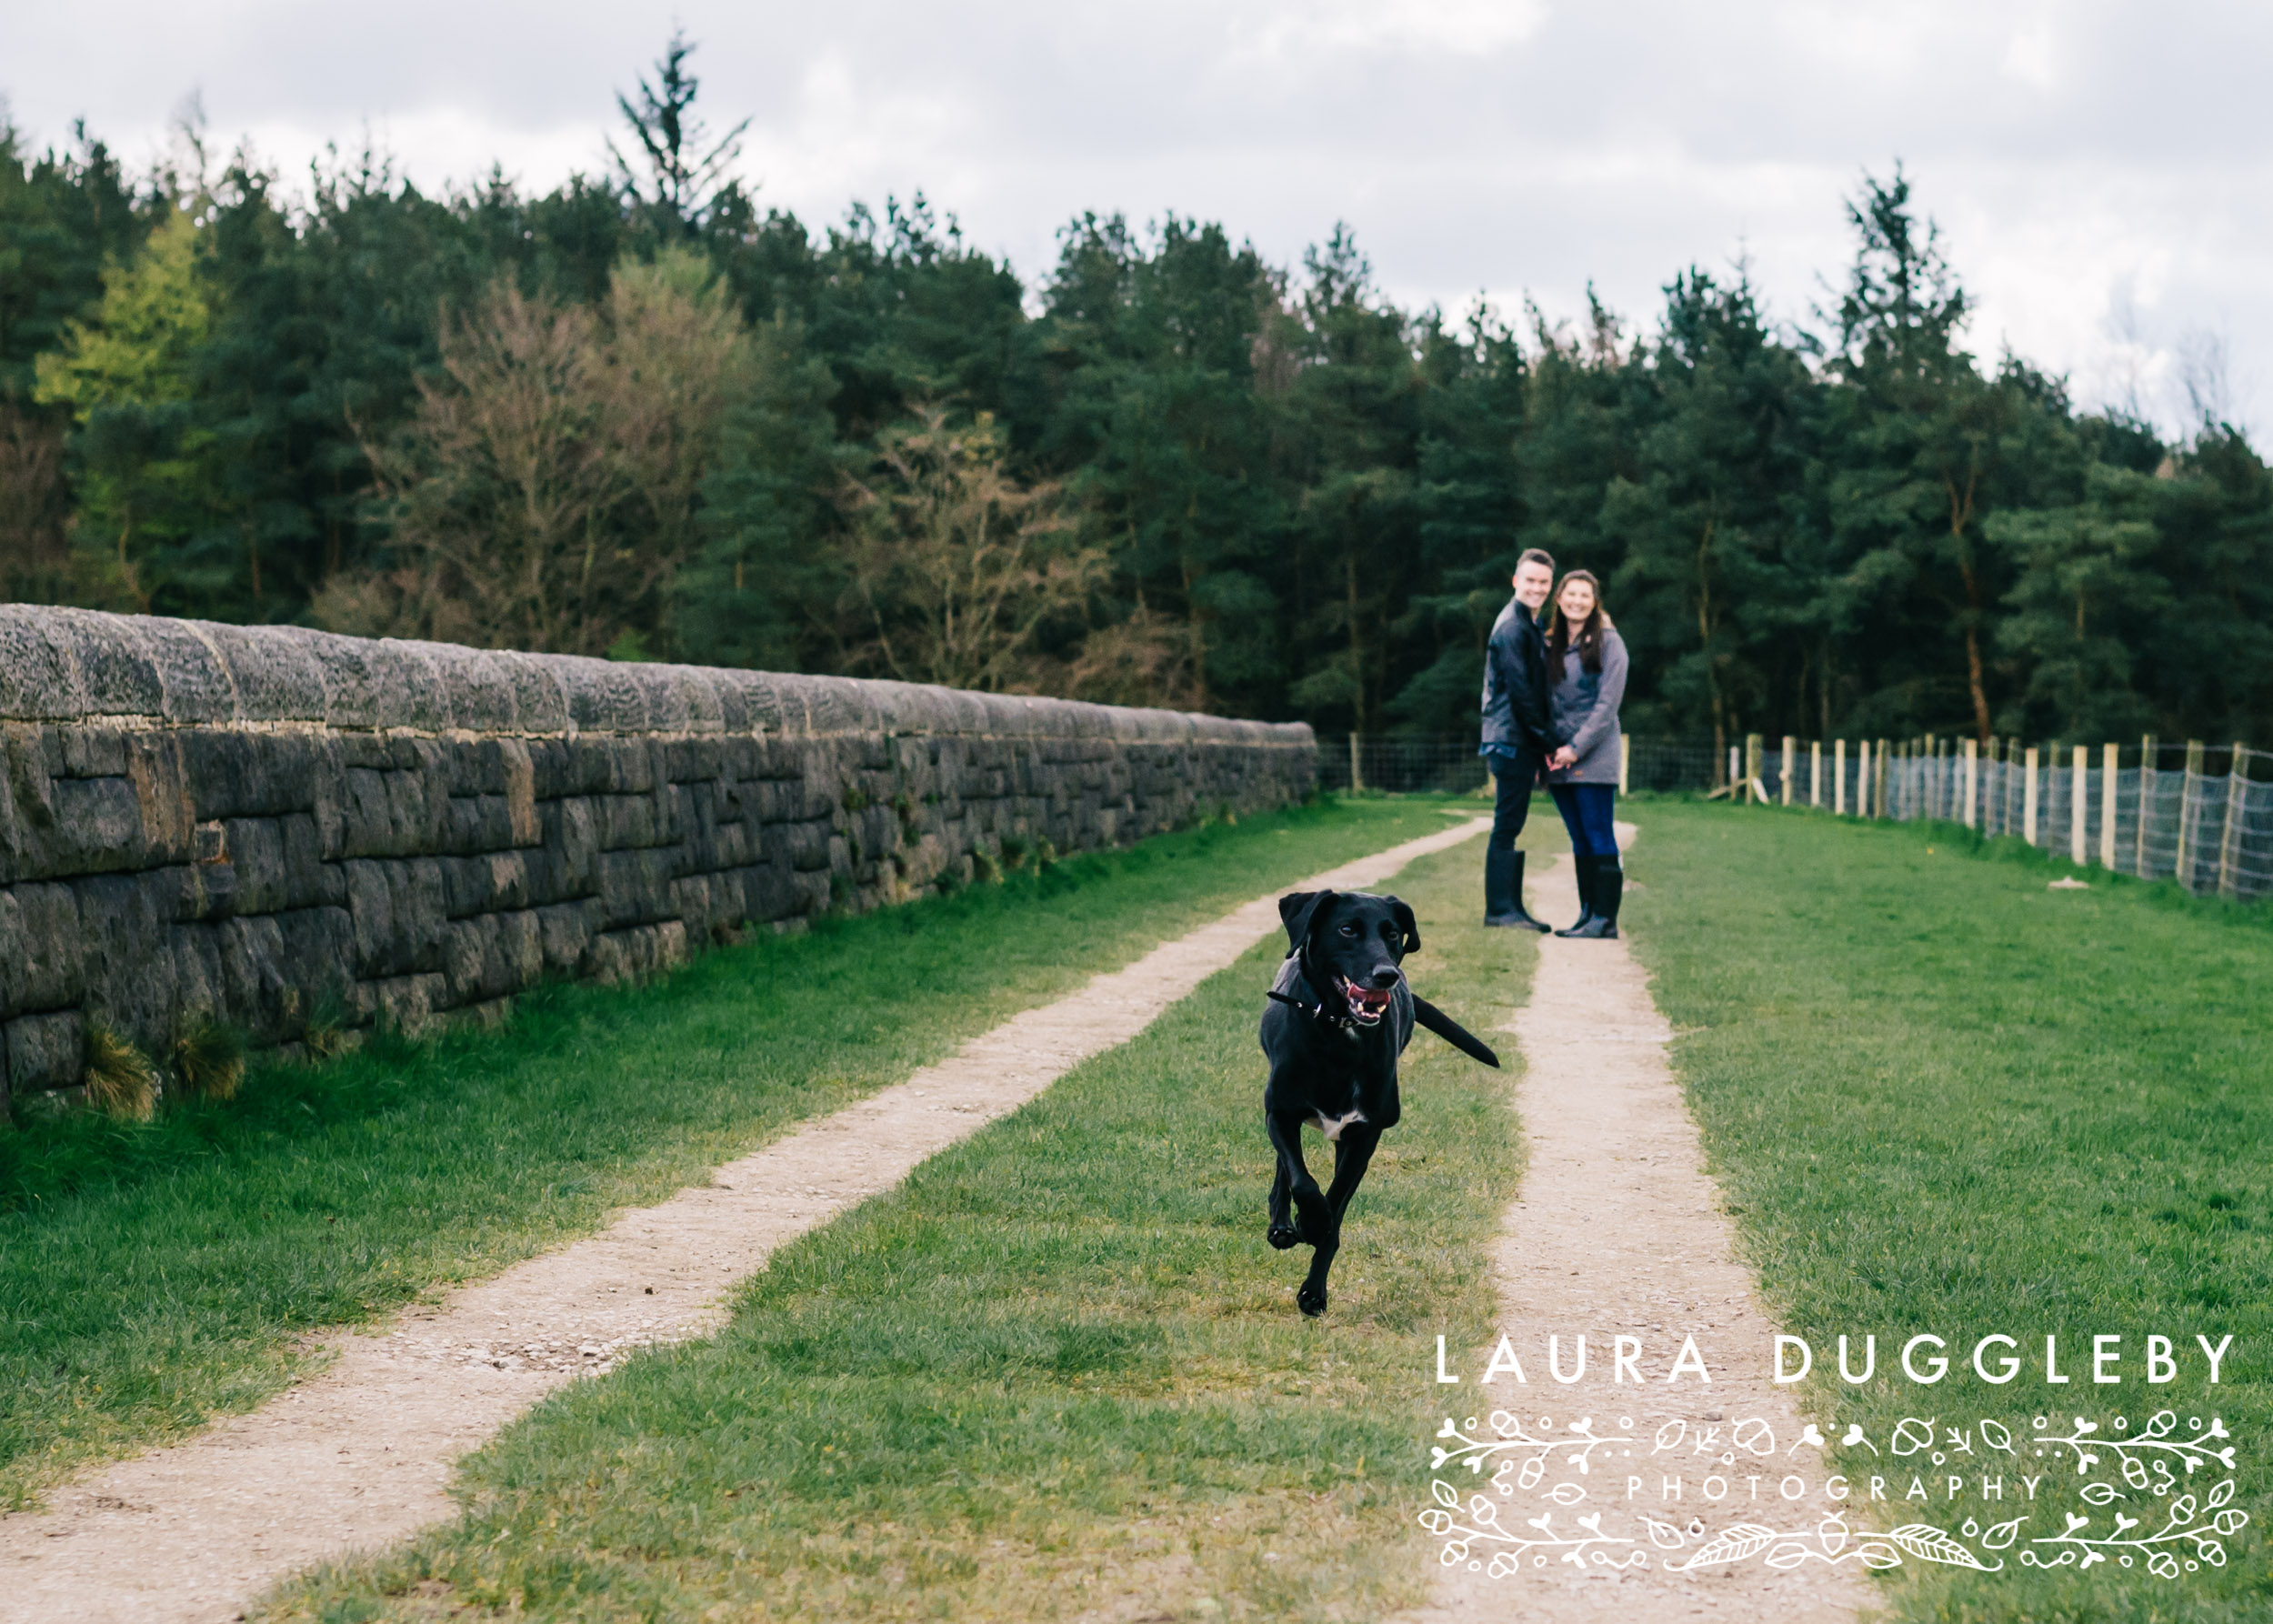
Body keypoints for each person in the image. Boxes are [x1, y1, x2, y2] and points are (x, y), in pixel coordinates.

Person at [1477, 548, 1562, 930]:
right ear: (1516, 581)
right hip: (1510, 739)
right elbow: (1521, 693)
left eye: (1544, 582)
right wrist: (1549, 742)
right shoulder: (1512, 626)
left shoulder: (1528, 622)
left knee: (1511, 823)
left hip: (1516, 737)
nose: (1537, 588)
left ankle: (1511, 908)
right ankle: (1500, 910)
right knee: (1507, 824)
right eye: (1530, 580)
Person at [1541, 569, 1628, 939]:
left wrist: (1575, 749)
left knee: (1598, 837)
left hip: (1592, 757)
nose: (1577, 601)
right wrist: (1549, 750)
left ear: (1595, 601)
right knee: (1579, 840)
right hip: (1557, 757)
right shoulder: (1551, 643)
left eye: (1585, 595)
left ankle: (1605, 921)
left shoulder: (1610, 643)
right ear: (1559, 598)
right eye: (1570, 594)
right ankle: (1587, 913)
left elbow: (1607, 706)